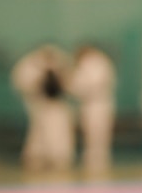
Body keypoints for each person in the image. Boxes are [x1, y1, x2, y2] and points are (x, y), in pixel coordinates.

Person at [11, 44, 74, 172]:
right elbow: (23, 84)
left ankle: (56, 157)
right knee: (40, 130)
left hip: (55, 103)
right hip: (37, 102)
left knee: (55, 130)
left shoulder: (58, 62)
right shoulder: (29, 65)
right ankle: (38, 157)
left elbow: (66, 81)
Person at [69, 46, 116, 176]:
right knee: (92, 137)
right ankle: (93, 164)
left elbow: (83, 86)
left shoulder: (96, 64)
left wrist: (71, 85)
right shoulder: (96, 64)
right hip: (90, 105)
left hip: (98, 105)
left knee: (98, 137)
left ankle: (98, 165)